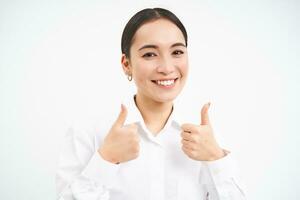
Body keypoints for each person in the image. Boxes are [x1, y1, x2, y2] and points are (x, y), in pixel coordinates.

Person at [56, 7, 246, 200]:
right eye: (149, 54)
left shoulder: (204, 136)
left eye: (177, 52)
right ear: (126, 64)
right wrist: (106, 160)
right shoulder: (89, 131)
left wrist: (216, 158)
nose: (167, 68)